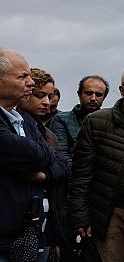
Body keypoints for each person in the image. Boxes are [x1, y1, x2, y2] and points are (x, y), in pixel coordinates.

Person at [68, 65, 124, 262]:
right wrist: (80, 217)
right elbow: (81, 174)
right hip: (110, 211)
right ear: (122, 90)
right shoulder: (97, 122)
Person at [0, 48, 68, 261]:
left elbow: (62, 164)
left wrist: (43, 175)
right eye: (22, 76)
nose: (30, 82)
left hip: (35, 234)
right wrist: (44, 155)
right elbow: (32, 154)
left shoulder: (26, 121)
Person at [17, 68, 67, 262]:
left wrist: (45, 175)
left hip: (44, 224)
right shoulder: (13, 129)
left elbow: (63, 169)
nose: (47, 102)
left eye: (49, 96)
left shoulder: (48, 135)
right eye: (40, 96)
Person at [49, 75, 109, 170]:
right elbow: (62, 155)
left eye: (98, 94)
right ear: (79, 94)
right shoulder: (62, 120)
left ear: (104, 97)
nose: (93, 98)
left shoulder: (109, 123)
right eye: (88, 93)